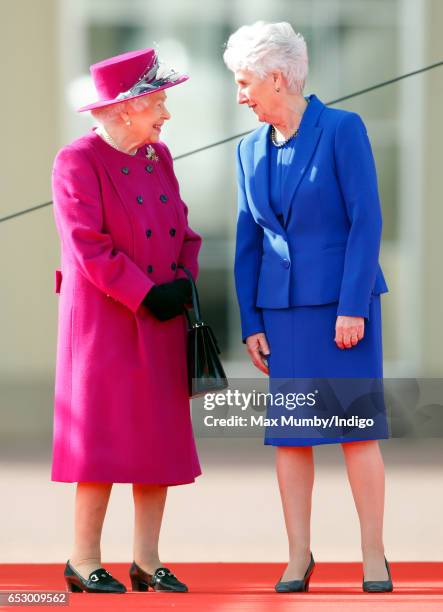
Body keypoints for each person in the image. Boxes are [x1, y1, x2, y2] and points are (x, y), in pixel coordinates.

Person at [224, 21, 393, 593]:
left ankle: (374, 552)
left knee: (355, 430)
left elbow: (366, 220)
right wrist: (251, 322)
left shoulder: (343, 129)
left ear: (277, 78)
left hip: (344, 309)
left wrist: (354, 307)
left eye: (245, 82)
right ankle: (299, 555)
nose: (241, 95)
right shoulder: (248, 150)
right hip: (283, 314)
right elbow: (247, 240)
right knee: (292, 436)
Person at [51, 47, 202, 594]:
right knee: (101, 441)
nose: (166, 113)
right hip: (106, 324)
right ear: (124, 109)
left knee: (156, 443)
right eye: (158, 101)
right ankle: (83, 559)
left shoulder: (156, 157)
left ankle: (146, 560)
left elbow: (184, 231)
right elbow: (87, 249)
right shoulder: (77, 160)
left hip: (160, 317)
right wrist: (147, 294)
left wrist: (184, 277)